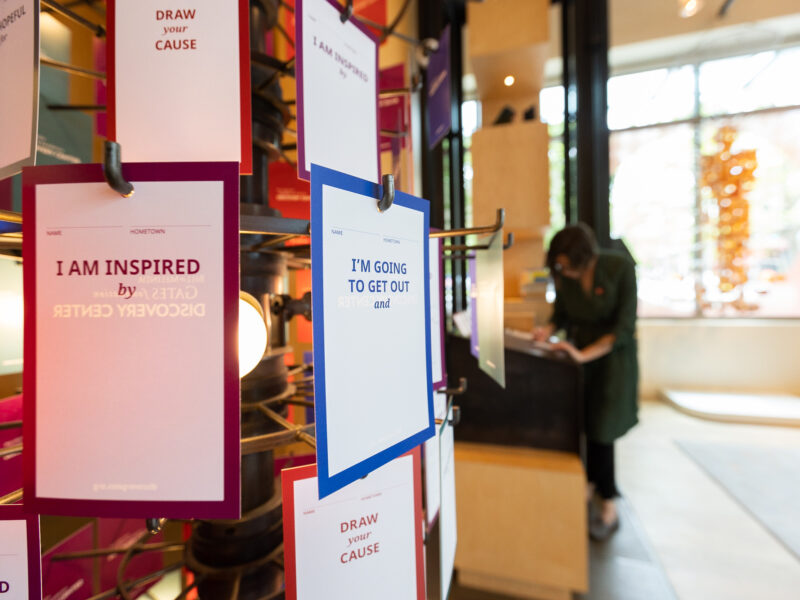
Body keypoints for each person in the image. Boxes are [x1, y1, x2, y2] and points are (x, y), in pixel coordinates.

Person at [533, 223, 639, 541]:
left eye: (566, 264)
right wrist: (547, 331)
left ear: (583, 257)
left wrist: (583, 355)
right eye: (558, 265)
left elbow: (623, 327)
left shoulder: (619, 267)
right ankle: (591, 483)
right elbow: (561, 315)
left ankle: (609, 503)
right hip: (578, 359)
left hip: (612, 361)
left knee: (603, 429)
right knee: (583, 422)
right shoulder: (565, 277)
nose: (562, 270)